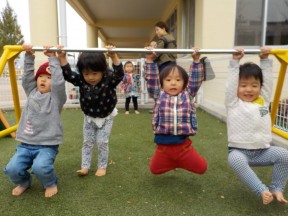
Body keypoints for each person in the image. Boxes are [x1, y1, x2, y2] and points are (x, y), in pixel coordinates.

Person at [225, 47, 288, 205]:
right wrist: (235, 62)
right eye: (244, 85)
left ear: (260, 87)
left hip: (263, 151)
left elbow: (267, 84)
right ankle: (262, 190)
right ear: (237, 87)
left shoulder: (263, 101)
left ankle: (277, 188)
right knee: (235, 160)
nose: (249, 89)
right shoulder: (233, 103)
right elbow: (231, 86)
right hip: (240, 151)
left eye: (254, 85)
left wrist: (265, 60)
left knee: (285, 155)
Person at [3, 43, 67, 198]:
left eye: (48, 77)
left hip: (47, 145)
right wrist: (29, 56)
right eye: (41, 77)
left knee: (41, 167)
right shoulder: (32, 92)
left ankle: (50, 182)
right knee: (12, 168)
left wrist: (53, 59)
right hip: (26, 144)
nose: (43, 80)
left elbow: (59, 83)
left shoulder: (56, 98)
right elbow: (26, 78)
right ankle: (24, 182)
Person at [59, 46, 124, 177]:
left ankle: (102, 166)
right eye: (86, 73)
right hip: (89, 117)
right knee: (87, 142)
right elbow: (68, 75)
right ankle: (85, 166)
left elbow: (119, 74)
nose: (91, 77)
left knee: (102, 142)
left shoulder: (109, 79)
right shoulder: (82, 80)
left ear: (103, 71)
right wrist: (62, 57)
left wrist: (114, 56)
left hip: (106, 117)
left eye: (95, 73)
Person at [144, 47, 207, 175]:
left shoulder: (187, 94)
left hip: (184, 146)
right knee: (154, 170)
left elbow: (195, 79)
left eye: (178, 80)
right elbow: (151, 80)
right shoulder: (158, 95)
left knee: (202, 168)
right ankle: (172, 162)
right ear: (161, 83)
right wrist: (149, 60)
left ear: (184, 83)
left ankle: (180, 161)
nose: (173, 83)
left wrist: (196, 60)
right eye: (168, 80)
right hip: (163, 148)